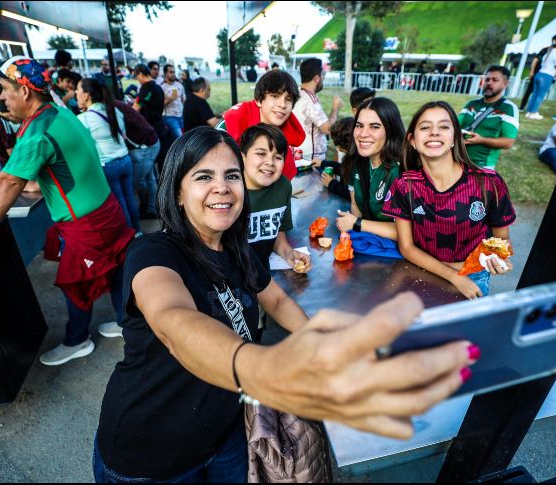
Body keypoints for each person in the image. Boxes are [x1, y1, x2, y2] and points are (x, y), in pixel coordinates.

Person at [93, 126, 477, 483]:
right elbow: (171, 320)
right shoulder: (153, 252)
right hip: (149, 455)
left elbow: (274, 298)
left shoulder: (233, 246)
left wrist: (330, 343)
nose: (222, 188)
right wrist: (261, 368)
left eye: (231, 175)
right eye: (203, 177)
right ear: (177, 190)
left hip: (225, 435)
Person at [0, 56, 134, 364]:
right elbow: (63, 168)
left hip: (87, 223)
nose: (0, 97)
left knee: (75, 282)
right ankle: (124, 321)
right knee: (118, 267)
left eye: (4, 88)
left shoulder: (38, 130)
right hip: (106, 210)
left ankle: (78, 340)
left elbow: (9, 181)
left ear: (24, 92)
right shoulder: (59, 113)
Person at [382, 101, 517, 299]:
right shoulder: (404, 185)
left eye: (444, 126)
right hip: (421, 271)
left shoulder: (488, 183)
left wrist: (498, 256)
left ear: (455, 137)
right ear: (412, 140)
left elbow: (501, 239)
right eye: (425, 127)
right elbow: (407, 247)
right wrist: (453, 276)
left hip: (472, 276)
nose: (434, 132)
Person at [241, 124, 310, 272]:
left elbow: (276, 232)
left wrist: (288, 252)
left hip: (262, 273)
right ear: (242, 156)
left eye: (278, 157)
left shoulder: (282, 187)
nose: (270, 162)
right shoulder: (228, 191)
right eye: (261, 153)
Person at [76, 78, 141, 233]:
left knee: (120, 203)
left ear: (86, 95)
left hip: (108, 166)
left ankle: (129, 237)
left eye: (78, 90)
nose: (76, 94)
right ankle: (137, 232)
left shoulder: (84, 118)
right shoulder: (114, 111)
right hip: (125, 161)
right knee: (130, 198)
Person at [335, 97, 404, 241]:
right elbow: (355, 205)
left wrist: (357, 223)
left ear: (390, 130)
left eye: (374, 126)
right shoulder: (356, 161)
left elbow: (405, 234)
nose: (363, 134)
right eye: (359, 125)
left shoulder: (402, 172)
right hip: (370, 248)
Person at [217, 70, 305, 180]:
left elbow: (285, 179)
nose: (282, 105)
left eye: (288, 99)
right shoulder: (232, 124)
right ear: (259, 100)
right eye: (275, 96)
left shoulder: (284, 135)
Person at [458, 66, 519, 170]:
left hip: (481, 166)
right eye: (487, 79)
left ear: (505, 84)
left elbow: (509, 142)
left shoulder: (508, 108)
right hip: (456, 159)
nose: (489, 83)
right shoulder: (472, 104)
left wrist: (481, 140)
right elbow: (455, 126)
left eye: (495, 80)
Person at [112, 97, 161, 219]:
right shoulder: (117, 104)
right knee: (149, 178)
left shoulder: (112, 109)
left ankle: (149, 207)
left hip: (143, 146)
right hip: (150, 142)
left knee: (138, 180)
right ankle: (152, 208)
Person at [294, 58, 343, 165]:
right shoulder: (310, 100)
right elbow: (328, 129)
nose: (323, 78)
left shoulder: (299, 93)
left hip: (300, 155)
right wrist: (336, 108)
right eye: (323, 75)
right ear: (317, 78)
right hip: (311, 160)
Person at [525, 36, 556, 120]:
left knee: (535, 94)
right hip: (547, 76)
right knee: (540, 95)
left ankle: (529, 111)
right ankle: (533, 113)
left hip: (539, 74)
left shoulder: (548, 52)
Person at [133, 63, 167, 170]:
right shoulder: (158, 87)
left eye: (137, 76)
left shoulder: (146, 88)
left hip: (151, 128)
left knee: (150, 162)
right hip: (160, 124)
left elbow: (135, 109)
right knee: (162, 158)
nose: (137, 79)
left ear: (141, 74)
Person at [320, 116, 354, 201]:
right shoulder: (351, 156)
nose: (336, 146)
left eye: (336, 142)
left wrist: (331, 183)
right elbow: (343, 168)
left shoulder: (357, 162)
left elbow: (351, 193)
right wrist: (323, 163)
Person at [161, 64, 186, 141]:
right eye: (171, 72)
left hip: (180, 115)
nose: (173, 74)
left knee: (182, 136)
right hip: (169, 116)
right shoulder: (162, 87)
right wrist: (170, 99)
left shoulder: (179, 85)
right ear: (165, 73)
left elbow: (183, 100)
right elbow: (160, 105)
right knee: (180, 137)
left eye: (174, 72)